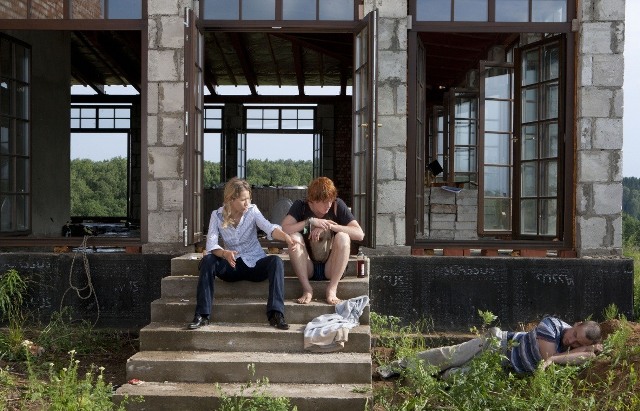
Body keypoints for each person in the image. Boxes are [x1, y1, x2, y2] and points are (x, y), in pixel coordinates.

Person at [189, 177, 300, 330]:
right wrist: (224, 253)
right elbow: (211, 244)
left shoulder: (252, 211)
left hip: (254, 264)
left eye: (249, 198)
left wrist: (286, 237)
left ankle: (276, 314)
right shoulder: (217, 215)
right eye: (243, 200)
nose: (247, 203)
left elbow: (269, 228)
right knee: (208, 260)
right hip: (231, 265)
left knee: (276, 262)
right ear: (231, 199)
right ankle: (202, 315)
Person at [378, 316, 603, 379]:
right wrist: (576, 353)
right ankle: (396, 366)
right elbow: (548, 356)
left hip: (500, 366)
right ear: (576, 324)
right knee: (449, 355)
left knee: (455, 377)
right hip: (497, 344)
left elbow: (585, 358)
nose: (571, 342)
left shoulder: (572, 347)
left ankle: (427, 377)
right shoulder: (552, 325)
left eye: (578, 344)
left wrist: (583, 353)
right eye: (575, 335)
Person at [281, 177, 364, 305]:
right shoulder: (301, 206)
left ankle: (332, 289)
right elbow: (284, 229)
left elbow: (359, 234)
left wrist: (330, 226)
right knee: (294, 237)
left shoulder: (337, 205)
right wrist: (310, 222)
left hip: (331, 267)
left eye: (331, 200)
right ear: (313, 199)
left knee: (343, 236)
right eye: (325, 201)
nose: (329, 205)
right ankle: (307, 289)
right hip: (307, 266)